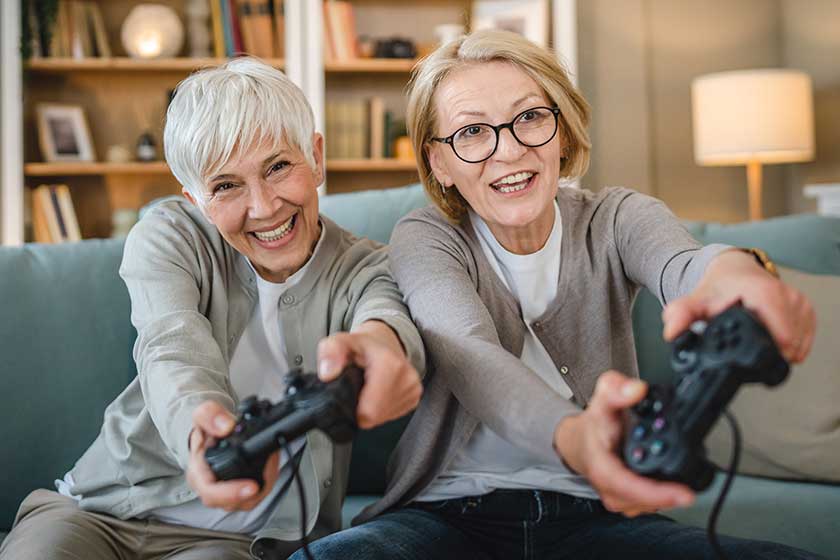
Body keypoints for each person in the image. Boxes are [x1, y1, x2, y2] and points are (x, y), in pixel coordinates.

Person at [298, 30, 822, 560]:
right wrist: (576, 438)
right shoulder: (426, 237)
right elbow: (468, 351)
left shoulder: (617, 217)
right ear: (439, 163)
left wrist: (737, 272)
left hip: (596, 516)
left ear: (563, 132)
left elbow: (683, 264)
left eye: (529, 117)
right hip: (446, 515)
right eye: (472, 132)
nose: (509, 150)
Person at [0, 58, 424, 560]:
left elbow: (385, 319)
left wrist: (380, 349)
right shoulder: (170, 237)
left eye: (278, 167)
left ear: (316, 157)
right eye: (226, 186)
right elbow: (170, 344)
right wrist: (201, 428)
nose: (263, 207)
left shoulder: (366, 265)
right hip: (103, 510)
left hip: (234, 542)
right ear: (196, 199)